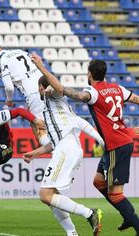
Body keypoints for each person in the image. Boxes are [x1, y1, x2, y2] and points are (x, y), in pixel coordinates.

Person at [31, 53, 139, 235]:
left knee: (115, 194)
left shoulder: (93, 92)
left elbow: (80, 96)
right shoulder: (118, 88)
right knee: (98, 183)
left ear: (89, 74)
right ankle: (127, 214)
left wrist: (61, 88)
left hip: (116, 144)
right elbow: (136, 99)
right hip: (115, 143)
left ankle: (133, 220)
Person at [23, 76, 104, 236]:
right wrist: (34, 153)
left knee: (45, 195)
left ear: (41, 88)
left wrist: (100, 140)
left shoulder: (54, 99)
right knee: (53, 197)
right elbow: (71, 129)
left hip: (67, 151)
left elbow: (79, 120)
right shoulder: (56, 110)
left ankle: (89, 213)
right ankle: (72, 233)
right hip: (66, 150)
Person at [0, 38, 50, 146]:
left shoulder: (1, 60)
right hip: (49, 86)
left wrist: (9, 100)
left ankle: (59, 155)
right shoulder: (19, 51)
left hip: (35, 94)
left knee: (39, 129)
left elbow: (9, 87)